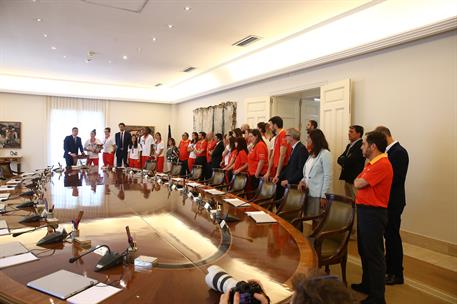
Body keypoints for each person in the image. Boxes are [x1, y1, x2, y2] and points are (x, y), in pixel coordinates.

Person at [351, 131, 393, 304]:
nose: (362, 146)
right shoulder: (371, 163)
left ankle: (377, 297)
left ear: (372, 146)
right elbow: (357, 181)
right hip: (365, 211)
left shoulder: (382, 164)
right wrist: (360, 181)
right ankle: (367, 284)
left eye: (364, 144)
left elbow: (359, 183)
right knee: (364, 251)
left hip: (373, 213)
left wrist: (360, 181)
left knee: (374, 255)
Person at [375, 126, 409, 285]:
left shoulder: (399, 152)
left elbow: (396, 178)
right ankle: (388, 270)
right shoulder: (388, 153)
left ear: (384, 136)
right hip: (385, 201)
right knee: (388, 237)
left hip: (394, 202)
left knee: (392, 238)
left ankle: (397, 273)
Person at [298, 129, 332, 211]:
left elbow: (328, 176)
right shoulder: (311, 154)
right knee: (310, 217)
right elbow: (307, 174)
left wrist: (324, 196)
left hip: (318, 194)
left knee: (317, 219)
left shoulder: (325, 153)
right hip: (308, 192)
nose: (307, 140)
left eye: (309, 137)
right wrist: (302, 181)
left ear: (315, 139)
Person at [277, 128, 308, 199]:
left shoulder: (301, 149)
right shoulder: (294, 148)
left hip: (295, 185)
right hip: (290, 183)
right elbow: (289, 167)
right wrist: (279, 177)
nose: (285, 138)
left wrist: (288, 181)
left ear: (292, 137)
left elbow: (301, 171)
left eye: (286, 136)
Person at [337, 125, 365, 199]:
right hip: (348, 179)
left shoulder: (360, 145)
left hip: (354, 181)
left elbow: (349, 161)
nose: (349, 133)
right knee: (349, 203)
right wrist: (344, 159)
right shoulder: (349, 145)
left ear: (359, 134)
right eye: (349, 131)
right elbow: (339, 159)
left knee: (355, 203)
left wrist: (344, 159)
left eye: (351, 132)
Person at [265, 116, 292, 183]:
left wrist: (277, 174)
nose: (270, 127)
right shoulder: (277, 137)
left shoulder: (283, 134)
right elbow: (273, 155)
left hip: (283, 168)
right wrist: (268, 171)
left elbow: (282, 155)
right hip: (277, 167)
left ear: (275, 125)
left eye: (271, 125)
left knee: (280, 192)